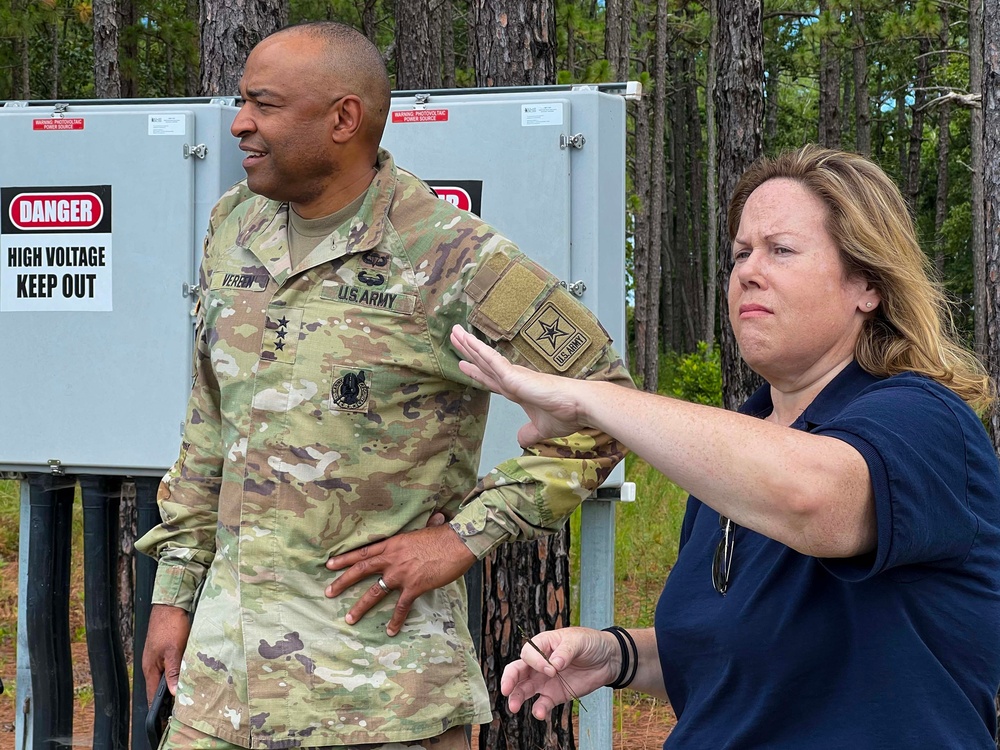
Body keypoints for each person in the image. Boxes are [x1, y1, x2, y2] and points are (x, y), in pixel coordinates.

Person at [135, 20, 632, 750]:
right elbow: (212, 418)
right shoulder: (234, 225)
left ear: (344, 118)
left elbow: (609, 405)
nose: (240, 124)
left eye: (264, 105)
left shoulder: (451, 256)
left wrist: (464, 539)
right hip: (222, 688)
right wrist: (175, 594)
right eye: (241, 102)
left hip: (379, 696)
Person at [450, 145, 1000, 748]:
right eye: (741, 253)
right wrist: (618, 655)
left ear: (866, 283)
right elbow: (741, 645)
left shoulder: (923, 419)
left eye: (781, 250)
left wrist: (591, 397)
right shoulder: (739, 444)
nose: (748, 272)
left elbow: (816, 499)